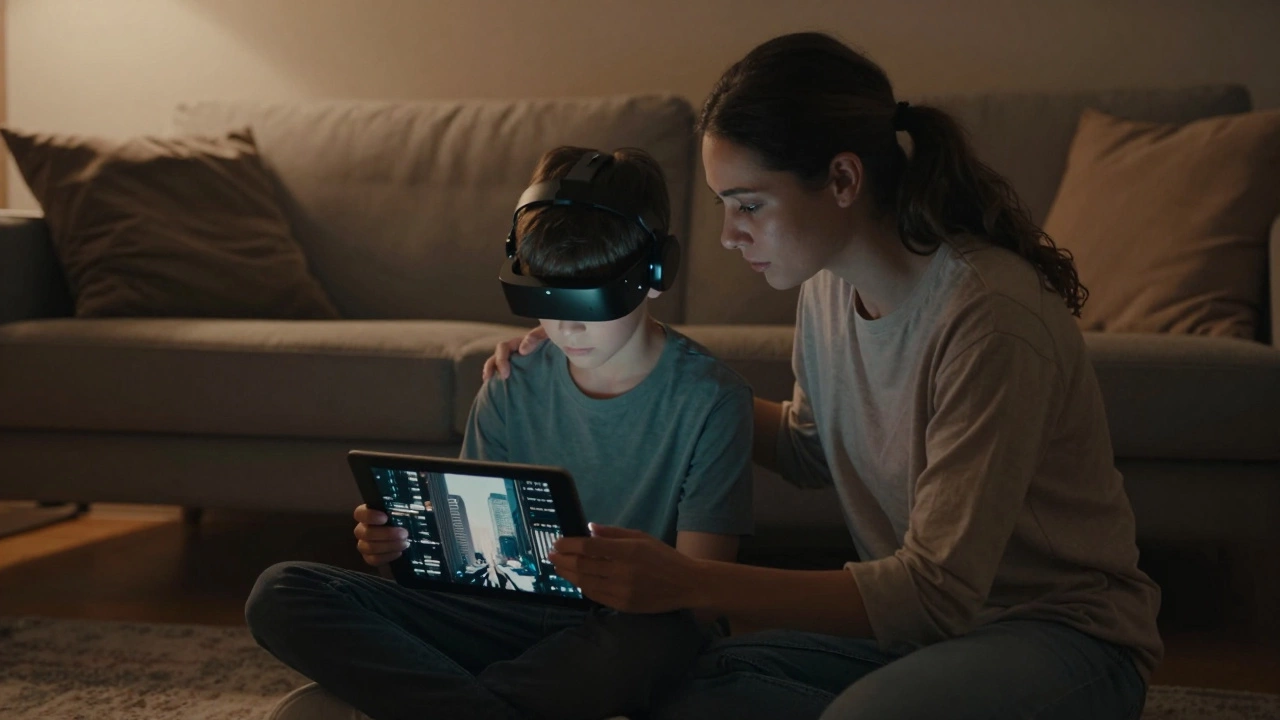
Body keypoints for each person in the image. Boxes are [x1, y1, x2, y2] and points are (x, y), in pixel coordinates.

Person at [484, 32, 1162, 720]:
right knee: (683, 682)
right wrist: (624, 362)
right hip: (917, 642)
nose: (727, 234)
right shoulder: (830, 287)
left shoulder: (989, 321)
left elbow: (934, 593)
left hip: (1060, 637)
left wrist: (691, 581)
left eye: (748, 204)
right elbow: (811, 445)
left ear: (842, 180)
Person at [245, 146, 755, 720]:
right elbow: (470, 571)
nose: (566, 326)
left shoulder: (712, 401)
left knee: (666, 637)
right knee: (282, 591)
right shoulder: (512, 383)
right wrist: (401, 553)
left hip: (622, 629)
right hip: (503, 617)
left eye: (590, 300)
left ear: (656, 274)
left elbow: (700, 597)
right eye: (544, 296)